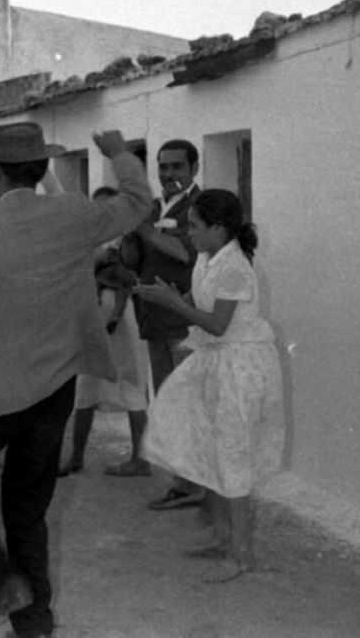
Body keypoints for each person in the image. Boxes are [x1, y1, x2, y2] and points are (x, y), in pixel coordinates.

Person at [0, 124, 150, 637]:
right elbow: (137, 201)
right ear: (43, 169)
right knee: (27, 506)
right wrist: (117, 154)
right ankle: (35, 622)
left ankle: (2, 577)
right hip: (55, 386)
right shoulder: (75, 216)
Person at [136, 189, 284, 583]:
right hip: (218, 360)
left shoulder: (235, 265)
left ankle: (241, 553)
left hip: (242, 366)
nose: (190, 233)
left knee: (233, 453)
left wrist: (172, 303)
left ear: (218, 229)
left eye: (196, 226)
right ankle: (223, 539)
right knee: (211, 449)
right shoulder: (206, 258)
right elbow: (195, 302)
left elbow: (216, 323)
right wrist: (160, 296)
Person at [122, 139, 203, 510]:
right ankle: (183, 483)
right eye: (163, 167)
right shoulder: (153, 207)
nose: (168, 174)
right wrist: (129, 231)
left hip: (185, 325)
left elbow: (186, 253)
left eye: (176, 167)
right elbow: (134, 256)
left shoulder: (200, 207)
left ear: (193, 169)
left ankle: (193, 486)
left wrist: (146, 230)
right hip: (153, 320)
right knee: (169, 405)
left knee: (188, 405)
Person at [59, 188, 151, 478]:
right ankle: (76, 456)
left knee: (131, 380)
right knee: (85, 382)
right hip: (91, 309)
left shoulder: (127, 236)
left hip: (122, 314)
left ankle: (140, 457)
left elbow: (130, 275)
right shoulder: (85, 238)